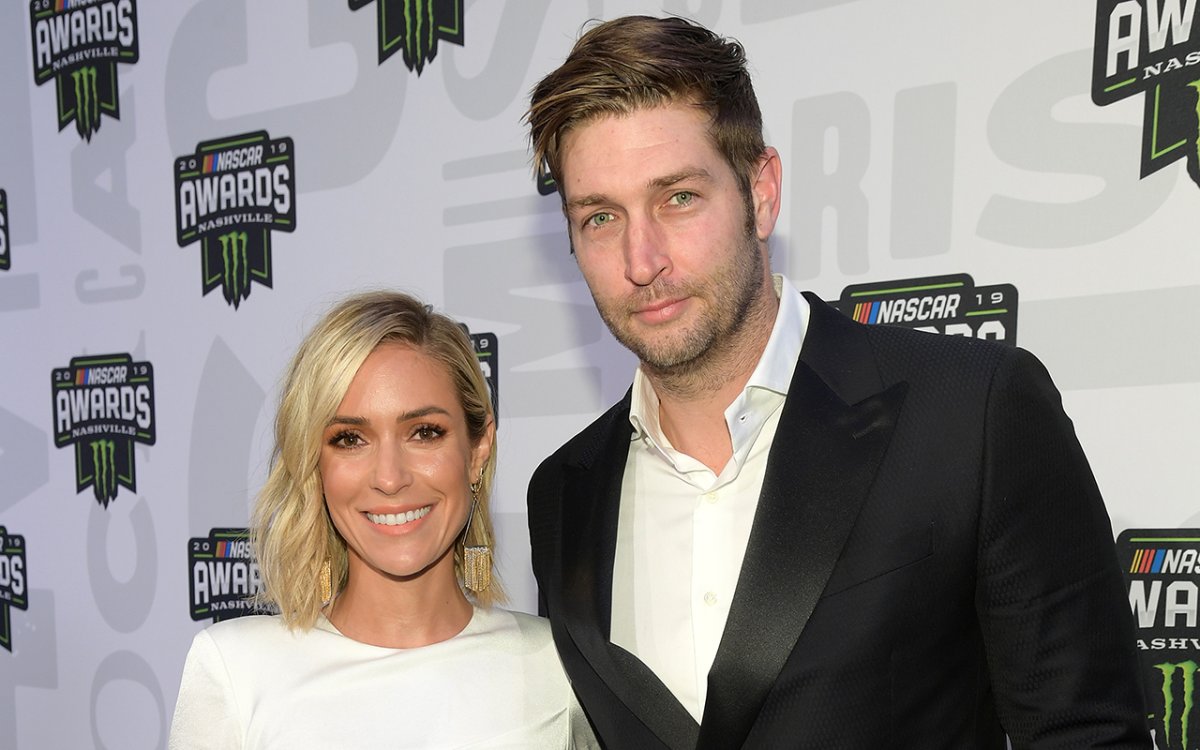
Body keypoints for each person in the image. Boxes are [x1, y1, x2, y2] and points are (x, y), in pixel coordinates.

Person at [524, 15, 1150, 749]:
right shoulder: (564, 491)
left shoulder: (970, 414)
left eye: (678, 198)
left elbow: (1086, 735)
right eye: (600, 216)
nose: (642, 257)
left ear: (761, 193)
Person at [169, 291, 597, 749]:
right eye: (350, 438)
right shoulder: (235, 670)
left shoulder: (563, 668)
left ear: (478, 449)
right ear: (314, 464)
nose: (390, 478)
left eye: (425, 432)